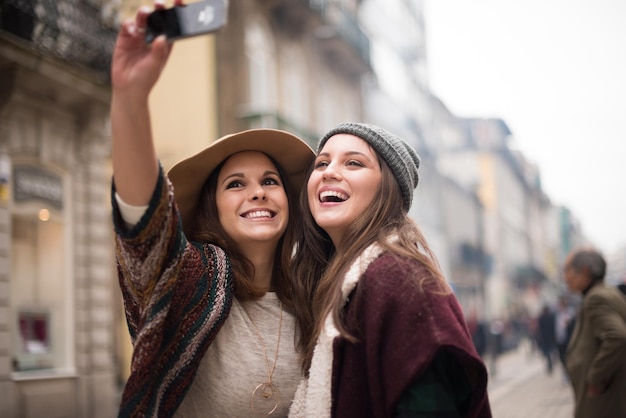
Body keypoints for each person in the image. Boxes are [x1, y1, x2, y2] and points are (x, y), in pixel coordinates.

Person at [110, 2, 315, 416]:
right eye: (235, 184)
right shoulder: (189, 281)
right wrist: (131, 97)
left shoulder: (313, 297)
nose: (257, 193)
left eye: (270, 181)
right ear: (212, 208)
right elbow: (143, 227)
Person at [288, 123, 491, 417]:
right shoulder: (335, 285)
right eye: (321, 163)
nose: (328, 172)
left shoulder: (402, 283)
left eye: (354, 163)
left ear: (388, 189)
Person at [563, 248, 626, 418]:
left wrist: (596, 378)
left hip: (602, 400)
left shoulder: (596, 298)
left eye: (567, 270)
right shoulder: (606, 293)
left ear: (584, 271)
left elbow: (617, 337)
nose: (565, 277)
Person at [536, 304, 556, 374]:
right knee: (547, 353)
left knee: (551, 352)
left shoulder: (551, 317)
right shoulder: (542, 318)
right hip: (545, 339)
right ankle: (550, 364)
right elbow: (539, 329)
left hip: (550, 338)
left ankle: (551, 364)